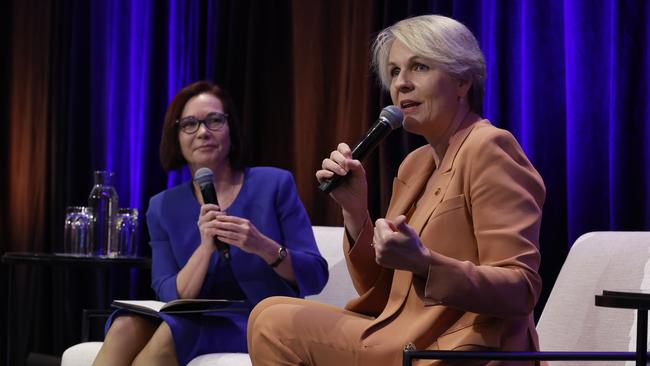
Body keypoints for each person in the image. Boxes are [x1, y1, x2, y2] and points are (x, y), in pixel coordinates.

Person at [247, 14, 545, 365]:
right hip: (404, 337)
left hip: (461, 351)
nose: (401, 84)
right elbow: (378, 292)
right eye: (393, 72)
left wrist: (425, 263)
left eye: (419, 67)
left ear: (462, 80)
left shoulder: (489, 148)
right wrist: (356, 211)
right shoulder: (415, 164)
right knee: (271, 309)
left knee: (273, 323)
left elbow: (520, 290)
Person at [92, 80, 328, 366]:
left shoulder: (274, 184)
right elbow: (167, 291)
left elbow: (315, 275)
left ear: (231, 129)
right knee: (124, 326)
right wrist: (205, 247)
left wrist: (262, 245)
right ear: (176, 137)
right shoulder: (162, 206)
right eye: (190, 124)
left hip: (263, 320)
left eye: (214, 120)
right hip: (194, 319)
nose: (203, 132)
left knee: (171, 333)